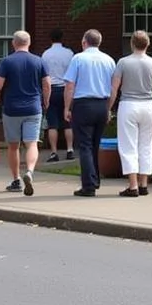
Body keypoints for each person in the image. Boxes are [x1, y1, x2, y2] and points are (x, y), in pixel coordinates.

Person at [109, 30, 152, 197]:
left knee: (128, 145)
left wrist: (109, 107)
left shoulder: (123, 62)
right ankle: (144, 184)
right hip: (148, 106)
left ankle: (133, 185)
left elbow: (114, 88)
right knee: (145, 145)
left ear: (132, 44)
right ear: (148, 44)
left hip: (128, 104)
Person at [0, 30, 49, 197]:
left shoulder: (6, 62)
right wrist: (45, 101)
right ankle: (30, 172)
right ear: (29, 42)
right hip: (33, 107)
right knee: (32, 143)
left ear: (13, 43)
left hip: (11, 109)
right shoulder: (39, 61)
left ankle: (16, 179)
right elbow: (47, 84)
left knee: (13, 146)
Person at [63, 29, 116, 197]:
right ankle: (95, 178)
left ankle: (89, 185)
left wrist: (67, 107)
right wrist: (108, 108)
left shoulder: (78, 58)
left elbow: (70, 85)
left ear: (84, 42)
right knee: (95, 144)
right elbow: (113, 87)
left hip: (83, 103)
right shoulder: (109, 60)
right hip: (102, 103)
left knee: (85, 145)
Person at [41, 28, 75, 163]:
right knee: (67, 122)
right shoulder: (69, 54)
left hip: (51, 89)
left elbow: (44, 76)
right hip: (66, 88)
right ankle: (70, 149)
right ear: (62, 38)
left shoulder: (46, 55)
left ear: (50, 39)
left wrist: (44, 97)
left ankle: (54, 152)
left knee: (52, 123)